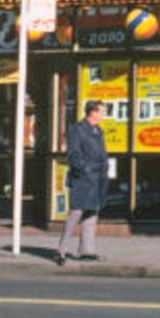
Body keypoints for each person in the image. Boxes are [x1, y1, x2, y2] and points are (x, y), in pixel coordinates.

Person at [56, 101, 107, 266]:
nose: (103, 115)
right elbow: (73, 154)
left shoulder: (98, 130)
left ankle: (87, 250)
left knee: (92, 214)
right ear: (92, 112)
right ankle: (61, 250)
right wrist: (84, 169)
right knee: (76, 213)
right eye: (101, 112)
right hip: (83, 178)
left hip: (97, 178)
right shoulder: (77, 129)